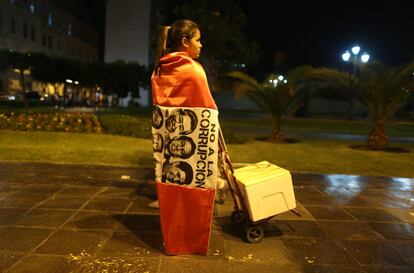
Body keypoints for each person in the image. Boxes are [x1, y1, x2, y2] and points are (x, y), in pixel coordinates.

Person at [150, 19, 224, 255]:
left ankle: (173, 241)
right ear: (184, 42)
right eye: (197, 39)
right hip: (195, 147)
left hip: (169, 147)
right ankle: (190, 242)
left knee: (172, 188)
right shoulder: (194, 70)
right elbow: (208, 109)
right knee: (195, 189)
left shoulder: (160, 68)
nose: (201, 45)